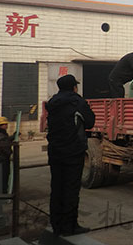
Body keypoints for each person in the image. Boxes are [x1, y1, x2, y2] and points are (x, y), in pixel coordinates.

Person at [46, 74, 95, 237]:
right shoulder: (77, 102)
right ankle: (69, 227)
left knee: (57, 188)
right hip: (73, 152)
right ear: (74, 87)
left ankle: (56, 225)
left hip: (55, 152)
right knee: (71, 190)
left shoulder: (52, 103)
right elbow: (90, 122)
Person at [0, 117, 12, 194]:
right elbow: (3, 145)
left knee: (5, 176)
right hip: (1, 159)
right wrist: (9, 152)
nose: (6, 126)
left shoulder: (3, 133)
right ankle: (3, 193)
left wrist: (12, 137)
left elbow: (6, 140)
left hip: (3, 158)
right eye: (4, 124)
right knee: (3, 177)